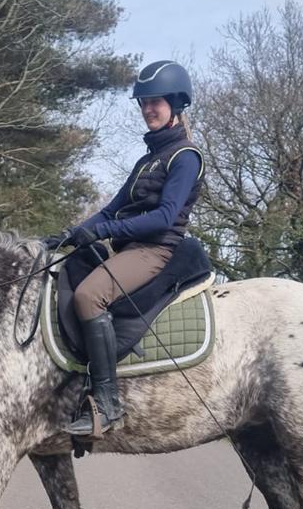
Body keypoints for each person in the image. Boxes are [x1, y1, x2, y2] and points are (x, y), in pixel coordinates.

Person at [42, 60, 204, 437]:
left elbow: (165, 217)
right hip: (127, 248)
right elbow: (110, 208)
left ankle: (108, 405)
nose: (149, 109)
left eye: (157, 102)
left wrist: (103, 230)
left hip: (154, 250)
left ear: (176, 105)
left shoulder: (186, 157)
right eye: (144, 102)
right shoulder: (147, 160)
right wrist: (70, 235)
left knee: (89, 297)